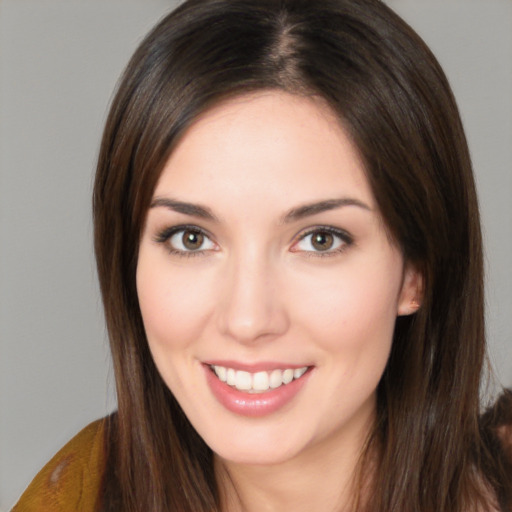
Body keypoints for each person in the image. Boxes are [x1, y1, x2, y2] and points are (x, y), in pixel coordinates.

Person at [12, 0, 512, 511]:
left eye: (321, 239)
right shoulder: (75, 496)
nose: (248, 319)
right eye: (191, 238)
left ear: (416, 272)